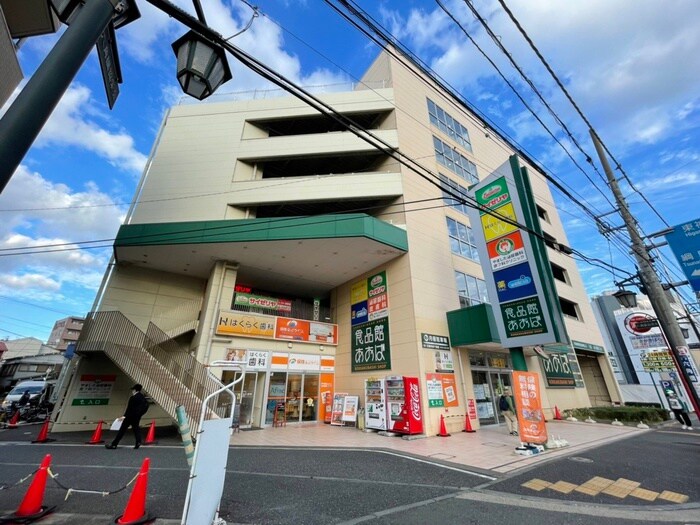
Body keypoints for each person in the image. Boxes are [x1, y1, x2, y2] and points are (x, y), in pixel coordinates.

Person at [106, 384, 149, 449]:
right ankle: (138, 442)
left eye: (133, 389)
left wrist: (124, 416)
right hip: (137, 417)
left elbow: (129, 409)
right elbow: (146, 407)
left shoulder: (133, 398)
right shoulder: (143, 398)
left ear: (135, 390)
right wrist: (140, 414)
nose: (132, 391)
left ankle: (114, 444)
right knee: (136, 429)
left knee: (122, 430)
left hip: (129, 417)